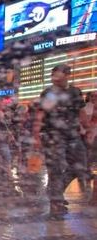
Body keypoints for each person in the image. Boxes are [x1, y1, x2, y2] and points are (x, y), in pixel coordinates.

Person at [33, 64, 89, 215]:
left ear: (67, 75)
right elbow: (40, 114)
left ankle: (54, 192)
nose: (54, 77)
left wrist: (87, 129)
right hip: (53, 136)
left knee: (81, 166)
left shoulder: (75, 92)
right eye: (53, 74)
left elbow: (81, 112)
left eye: (57, 74)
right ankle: (55, 203)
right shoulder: (50, 93)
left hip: (73, 135)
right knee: (55, 169)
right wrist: (36, 135)